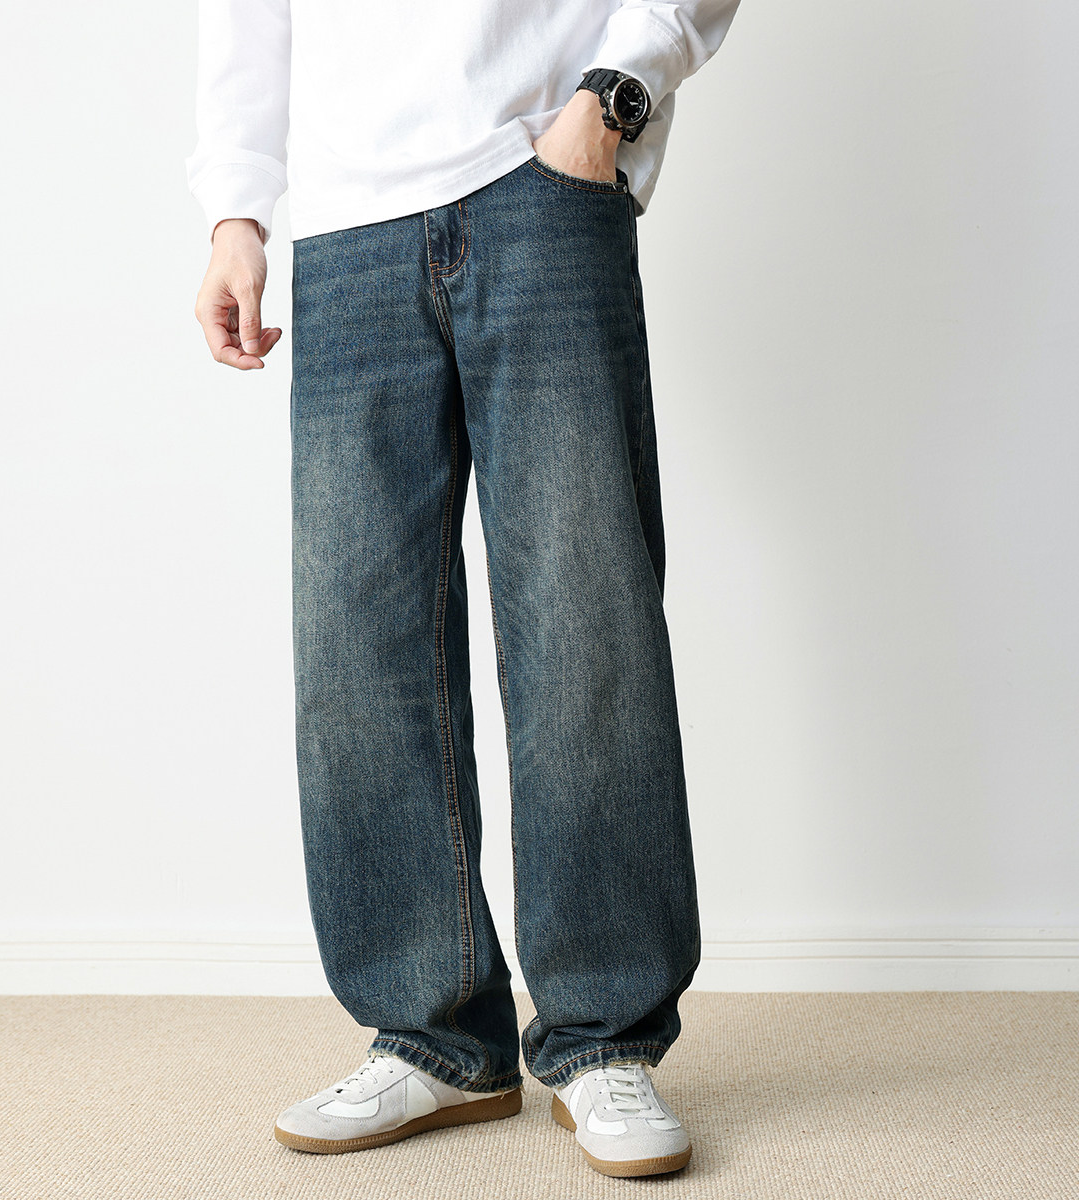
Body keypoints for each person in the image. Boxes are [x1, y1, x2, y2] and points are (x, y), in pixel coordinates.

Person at [186, 0, 740, 1179]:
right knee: (357, 648)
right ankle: (434, 1039)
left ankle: (604, 1037)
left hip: (542, 175)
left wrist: (610, 102)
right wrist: (237, 210)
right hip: (345, 225)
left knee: (585, 627)